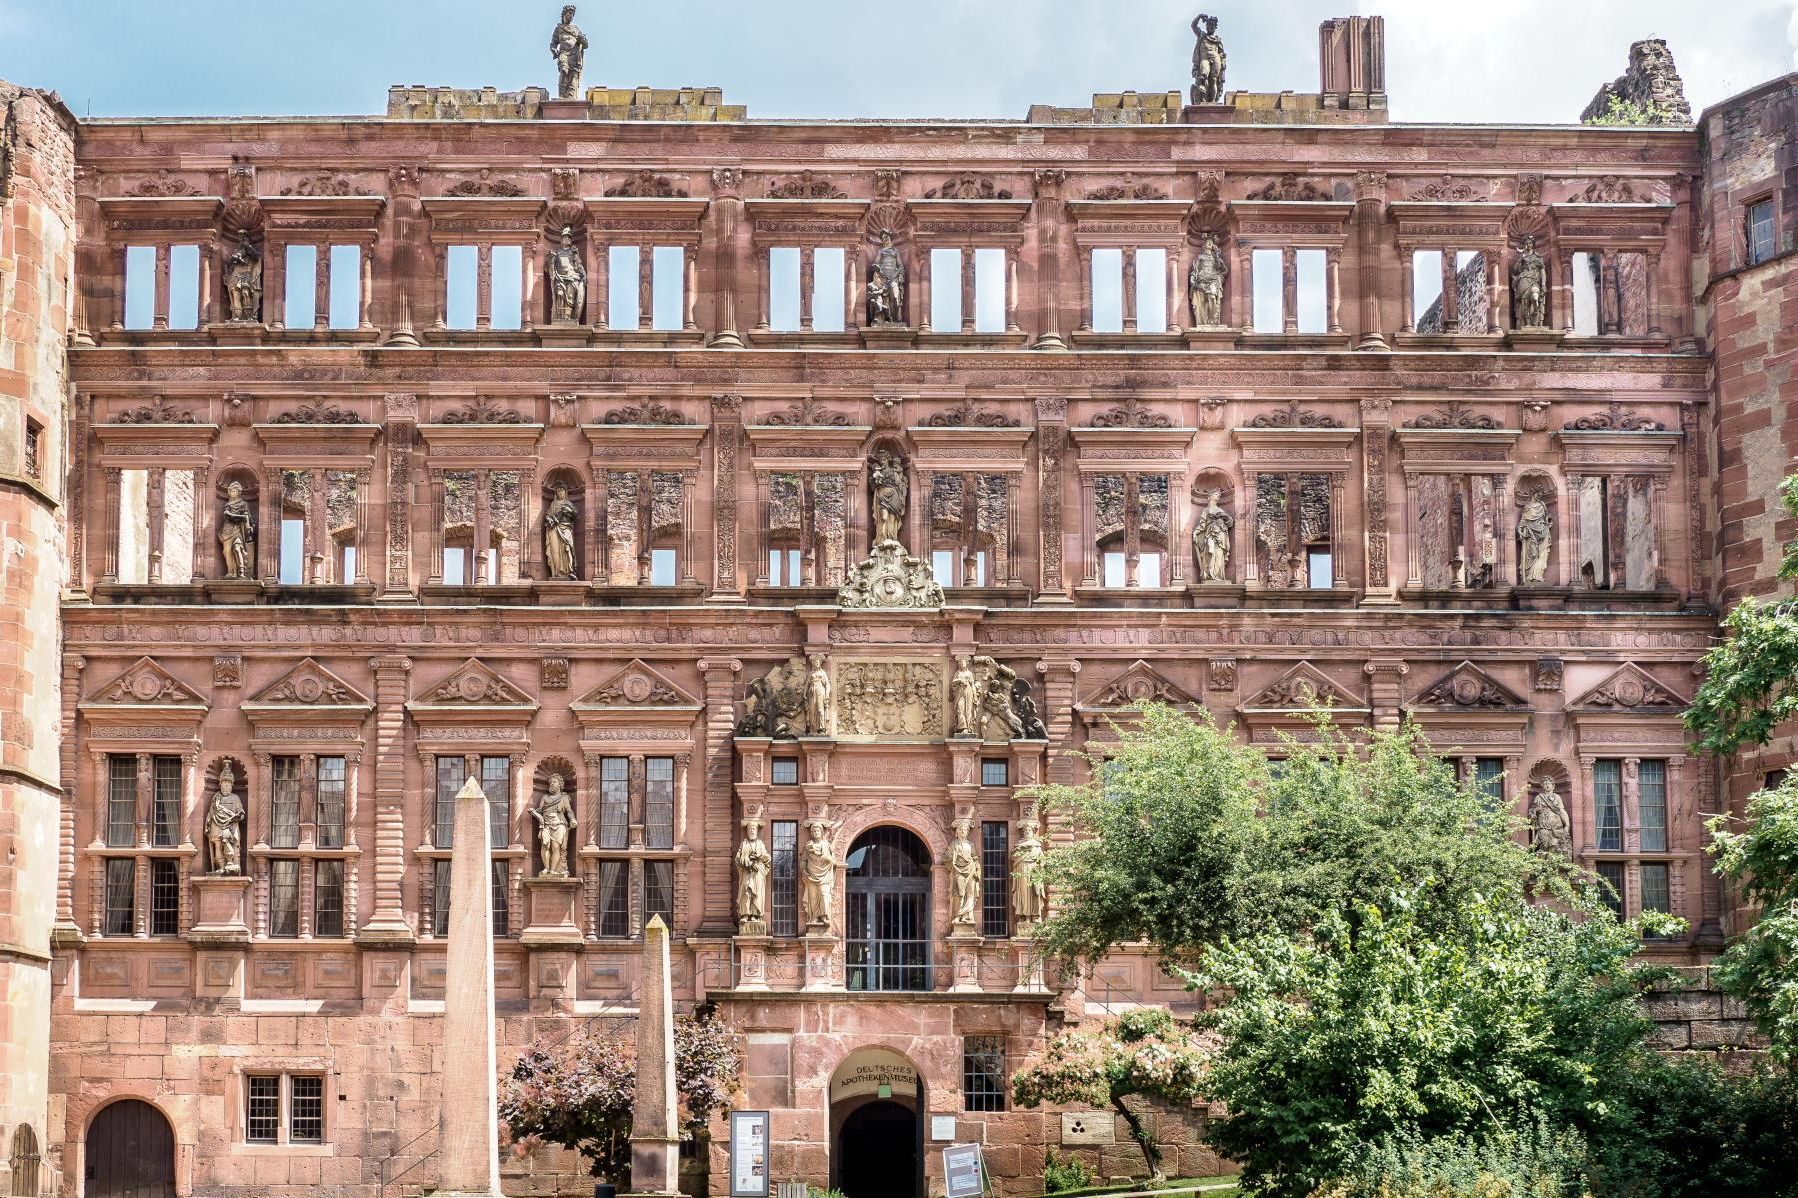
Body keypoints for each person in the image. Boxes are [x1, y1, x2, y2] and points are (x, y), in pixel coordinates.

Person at [531, 774, 576, 877]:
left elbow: (569, 811)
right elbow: (540, 810)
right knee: (545, 845)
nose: (551, 784)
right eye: (550, 782)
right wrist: (534, 811)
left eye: (554, 782)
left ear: (560, 784)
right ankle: (546, 868)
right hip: (546, 824)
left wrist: (572, 819)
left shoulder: (564, 798)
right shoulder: (545, 797)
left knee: (556, 847)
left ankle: (553, 870)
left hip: (559, 824)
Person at [206, 765, 245, 874]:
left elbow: (241, 813)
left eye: (228, 784)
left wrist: (238, 816)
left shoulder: (235, 798)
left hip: (232, 824)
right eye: (224, 784)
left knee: (233, 845)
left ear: (232, 785)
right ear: (220, 784)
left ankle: (234, 865)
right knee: (217, 845)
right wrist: (208, 819)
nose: (226, 786)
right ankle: (221, 868)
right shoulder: (216, 798)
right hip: (216, 823)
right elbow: (211, 811)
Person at [547, 226, 586, 324]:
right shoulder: (557, 252)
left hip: (572, 277)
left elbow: (578, 265)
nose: (567, 239)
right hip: (560, 278)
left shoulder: (573, 252)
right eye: (565, 237)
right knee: (560, 295)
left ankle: (568, 317)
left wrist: (584, 275)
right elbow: (548, 268)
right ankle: (560, 317)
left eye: (569, 237)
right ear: (561, 240)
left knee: (570, 297)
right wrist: (551, 260)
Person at [866, 230, 906, 325]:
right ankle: (886, 320)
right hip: (882, 277)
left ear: (890, 238)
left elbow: (900, 265)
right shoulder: (881, 251)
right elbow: (876, 262)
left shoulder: (895, 251)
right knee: (885, 300)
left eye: (887, 237)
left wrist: (900, 274)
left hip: (893, 277)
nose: (885, 239)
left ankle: (896, 320)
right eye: (883, 238)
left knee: (895, 297)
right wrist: (876, 268)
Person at [735, 818, 770, 926]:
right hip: (747, 871)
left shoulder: (760, 844)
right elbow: (737, 858)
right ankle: (745, 914)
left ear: (757, 831)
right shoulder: (744, 843)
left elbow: (767, 858)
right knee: (746, 891)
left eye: (754, 829)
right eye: (750, 829)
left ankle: (755, 915)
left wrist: (760, 857)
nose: (752, 831)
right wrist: (746, 862)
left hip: (758, 872)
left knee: (757, 893)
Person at [1187, 233, 1227, 327]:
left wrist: (1217, 256)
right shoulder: (1200, 257)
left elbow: (1222, 269)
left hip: (1213, 280)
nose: (1210, 243)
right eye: (1208, 242)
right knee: (1201, 302)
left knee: (1212, 298)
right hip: (1201, 281)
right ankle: (1203, 321)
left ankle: (1212, 320)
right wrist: (1193, 278)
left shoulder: (1216, 257)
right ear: (1204, 244)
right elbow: (1195, 270)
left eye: (1211, 242)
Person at [549, 6, 589, 101]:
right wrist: (554, 49)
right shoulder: (559, 28)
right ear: (564, 14)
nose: (571, 15)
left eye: (573, 14)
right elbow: (553, 42)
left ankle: (571, 97)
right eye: (569, 13)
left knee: (573, 75)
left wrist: (582, 41)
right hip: (563, 53)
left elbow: (585, 44)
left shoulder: (576, 29)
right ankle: (562, 96)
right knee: (563, 71)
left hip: (574, 55)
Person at [218, 481, 255, 580]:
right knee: (227, 551)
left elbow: (248, 516)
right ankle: (230, 572)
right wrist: (241, 517)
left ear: (238, 492)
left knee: (238, 548)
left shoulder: (243, 504)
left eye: (235, 491)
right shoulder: (228, 504)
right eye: (231, 491)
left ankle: (242, 572)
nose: (233, 493)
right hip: (227, 529)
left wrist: (250, 526)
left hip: (238, 529)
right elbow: (227, 516)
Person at [1194, 488, 1232, 582]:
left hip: (1221, 535)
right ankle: (1209, 574)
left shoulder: (1220, 510)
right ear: (1209, 497)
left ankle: (1218, 575)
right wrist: (1195, 533)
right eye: (1215, 494)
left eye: (1219, 495)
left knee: (1219, 554)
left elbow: (1230, 523)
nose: (1218, 496)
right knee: (1210, 550)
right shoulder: (1206, 510)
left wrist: (1226, 517)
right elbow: (1202, 525)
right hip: (1210, 533)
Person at [224, 233, 262, 323]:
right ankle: (237, 317)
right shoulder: (237, 254)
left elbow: (257, 256)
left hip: (247, 277)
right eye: (240, 239)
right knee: (236, 296)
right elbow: (230, 261)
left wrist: (247, 246)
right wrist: (238, 256)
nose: (241, 241)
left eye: (243, 239)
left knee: (246, 294)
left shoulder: (251, 255)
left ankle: (249, 317)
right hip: (236, 277)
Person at [543, 483, 578, 580]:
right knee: (555, 551)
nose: (560, 492)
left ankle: (569, 570)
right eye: (558, 491)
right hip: (554, 529)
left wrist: (569, 511)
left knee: (568, 549)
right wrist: (549, 519)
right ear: (556, 493)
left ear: (565, 492)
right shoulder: (553, 504)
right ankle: (557, 572)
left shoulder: (569, 504)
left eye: (562, 490)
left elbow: (576, 515)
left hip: (566, 528)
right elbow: (548, 515)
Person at [1511, 236, 1548, 329]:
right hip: (1523, 279)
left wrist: (1543, 284)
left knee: (1535, 298)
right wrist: (1520, 259)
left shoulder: (1538, 257)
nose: (1528, 245)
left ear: (1533, 244)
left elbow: (1542, 272)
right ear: (1524, 245)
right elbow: (1515, 270)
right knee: (1524, 302)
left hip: (1534, 280)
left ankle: (1535, 318)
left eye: (1530, 243)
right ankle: (1527, 323)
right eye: (1526, 243)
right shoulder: (1522, 256)